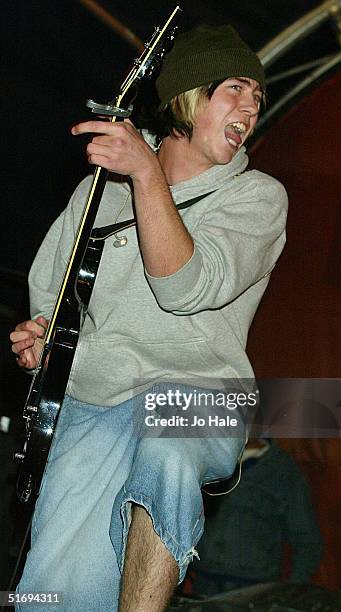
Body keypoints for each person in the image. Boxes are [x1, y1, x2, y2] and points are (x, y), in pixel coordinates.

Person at [10, 24, 288, 612]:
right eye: (235, 88)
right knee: (51, 592)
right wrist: (43, 337)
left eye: (257, 97)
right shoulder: (96, 193)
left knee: (168, 445)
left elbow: (184, 287)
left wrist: (146, 173)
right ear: (187, 96)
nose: (251, 106)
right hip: (96, 398)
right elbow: (53, 295)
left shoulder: (257, 197)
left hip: (202, 392)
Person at [189, 438, 323, 597]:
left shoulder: (284, 471)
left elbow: (308, 540)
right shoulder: (211, 459)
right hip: (203, 584)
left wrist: (291, 591)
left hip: (252, 589)